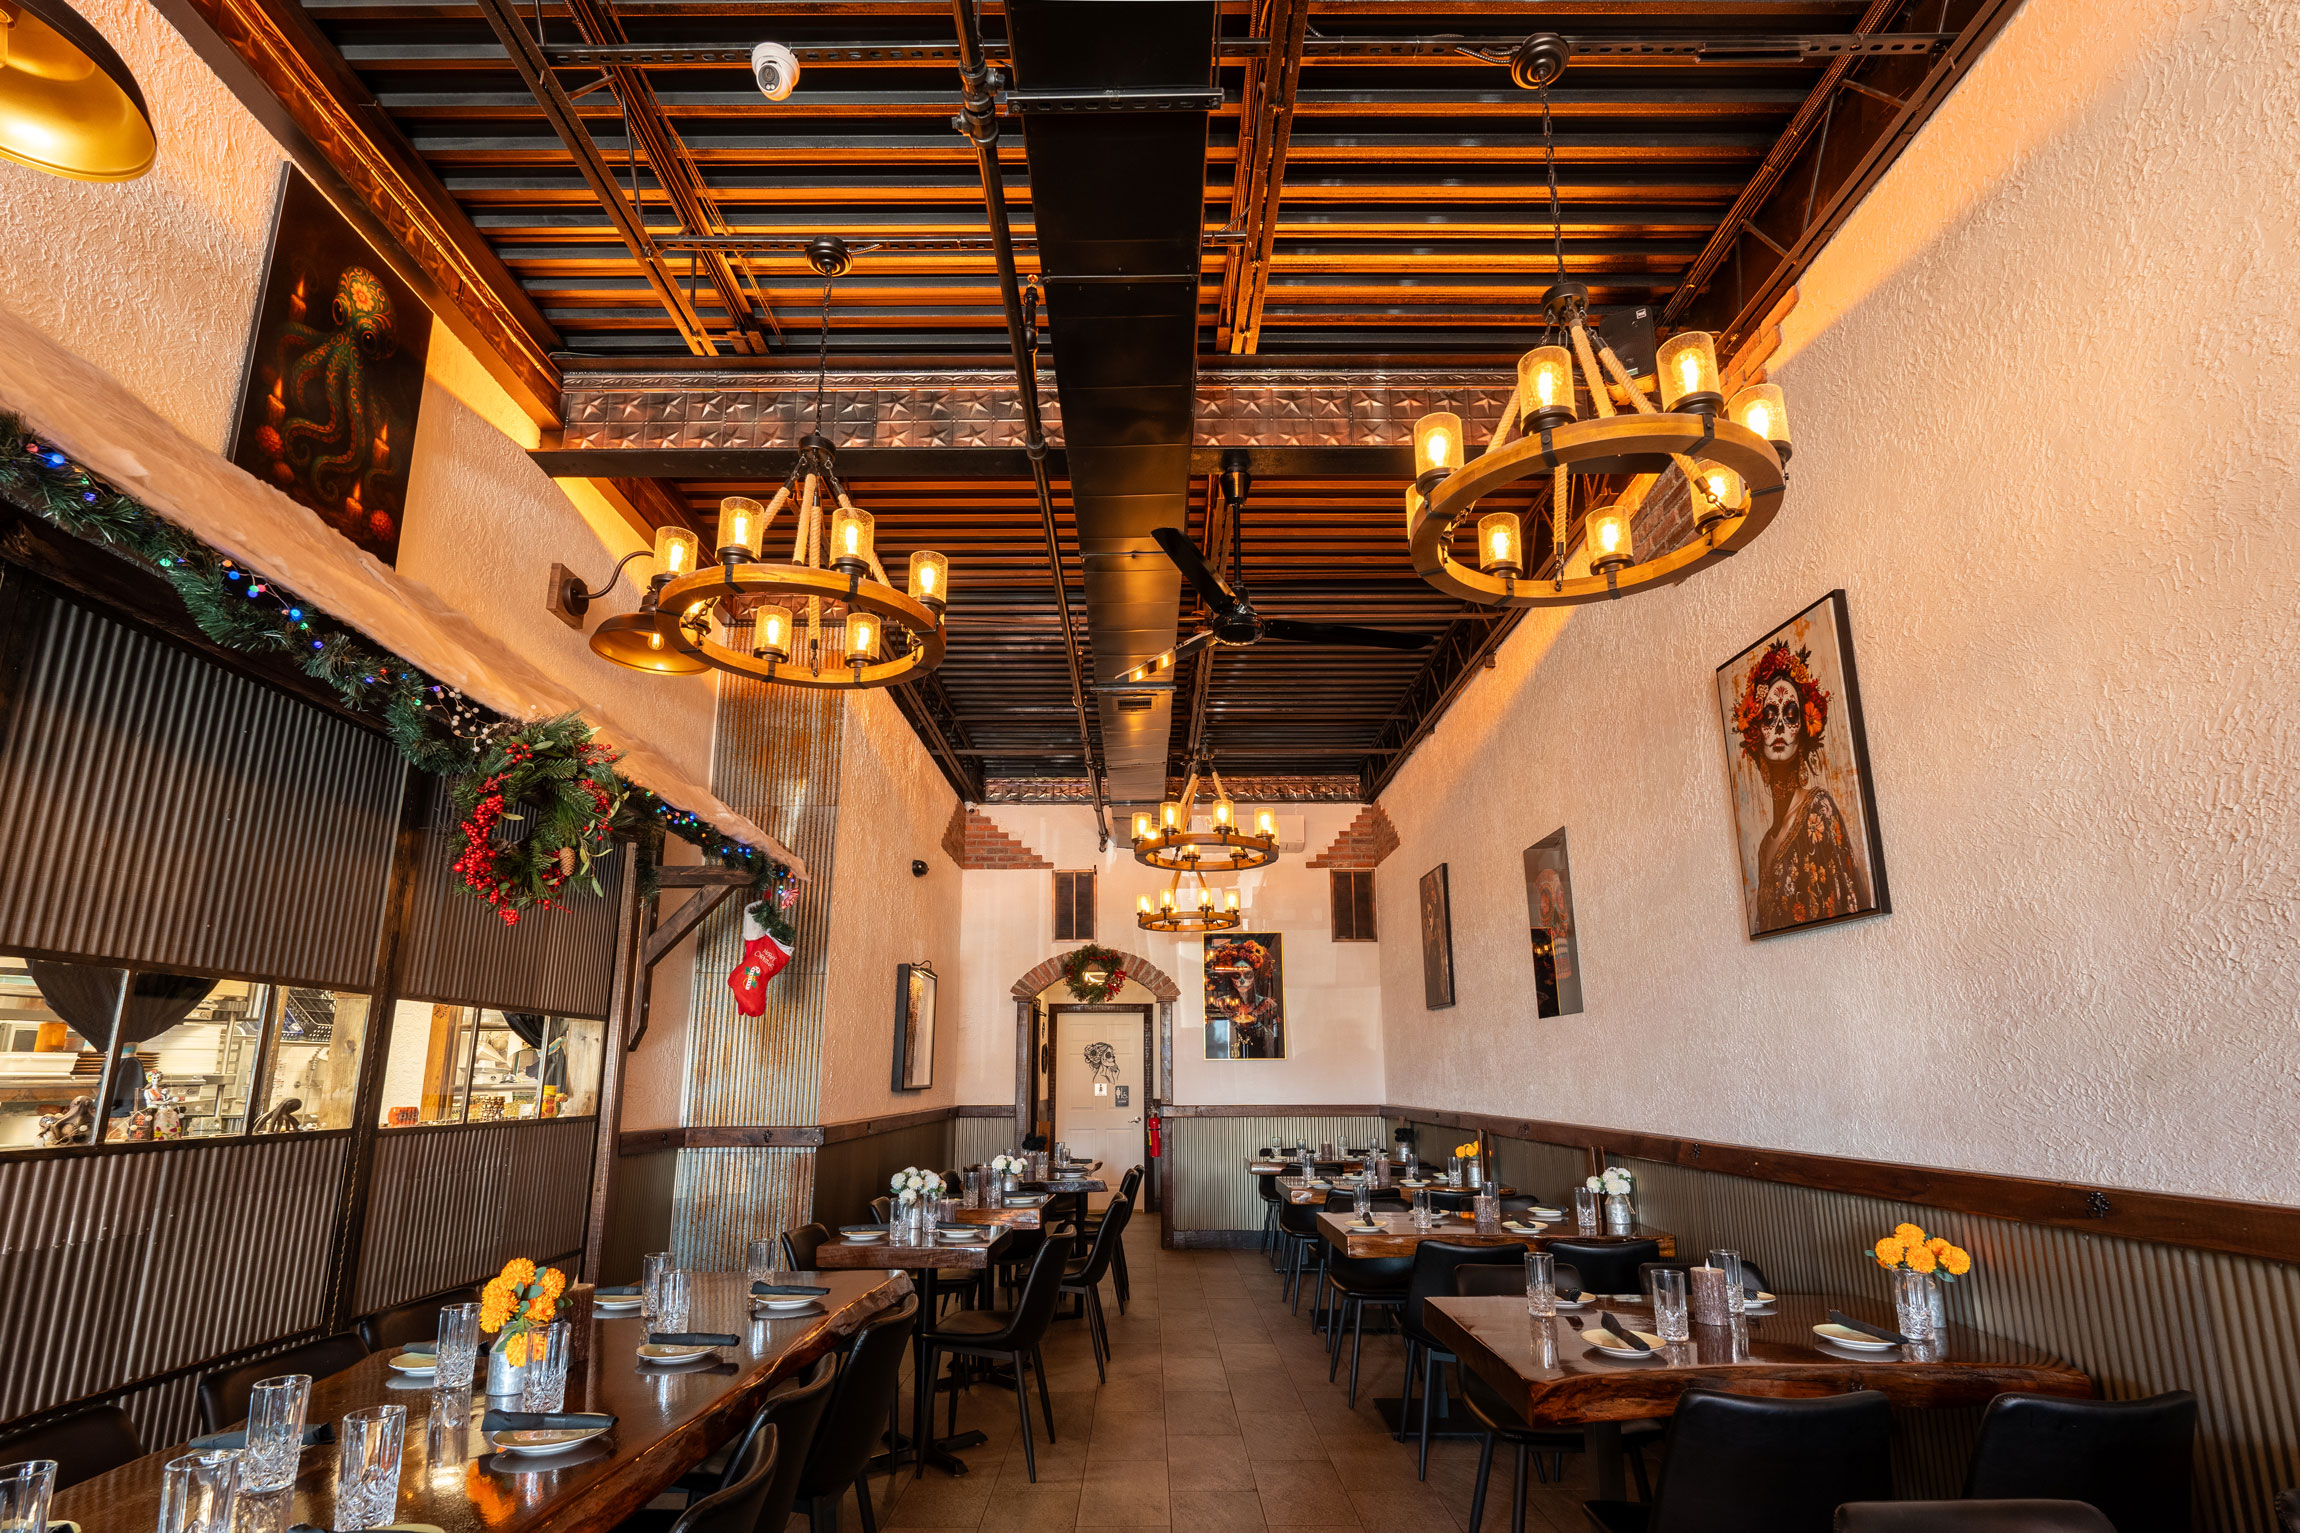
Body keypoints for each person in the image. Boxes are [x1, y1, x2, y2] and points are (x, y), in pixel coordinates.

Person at [1731, 639, 1871, 930]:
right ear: (1756, 729)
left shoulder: (1818, 809)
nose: (1780, 727)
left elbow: (1847, 906)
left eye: (1791, 715)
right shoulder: (1764, 846)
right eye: (1770, 716)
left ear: (1805, 727)